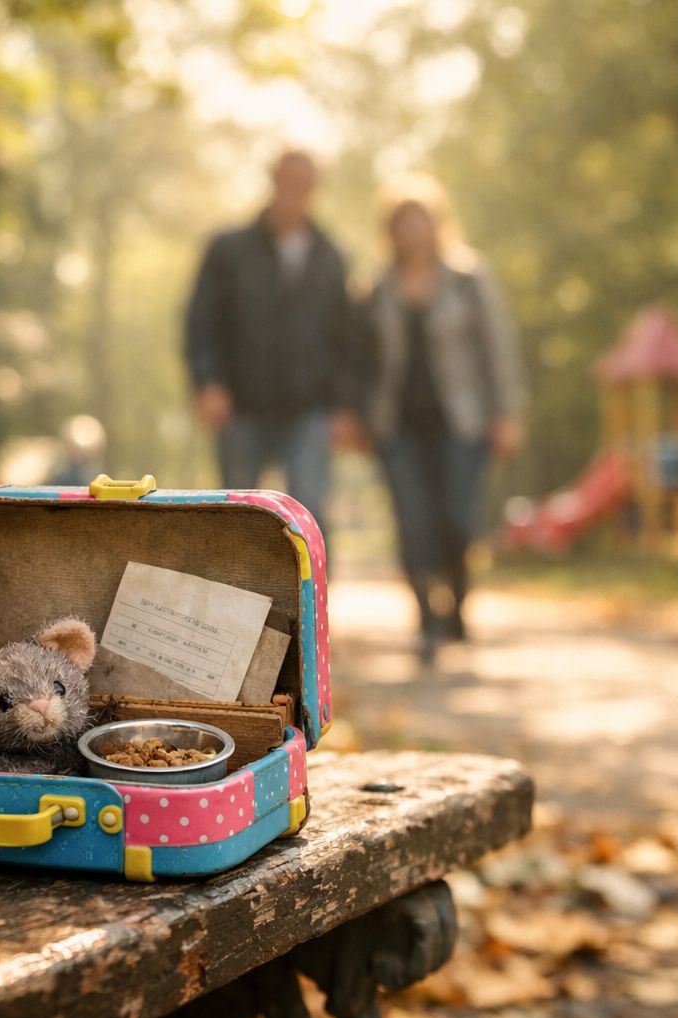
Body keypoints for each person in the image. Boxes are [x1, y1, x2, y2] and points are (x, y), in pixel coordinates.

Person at [358, 175, 526, 665]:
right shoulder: (376, 288)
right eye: (401, 221)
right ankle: (426, 620)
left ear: (436, 222)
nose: (412, 229)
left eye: (420, 218)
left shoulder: (469, 278)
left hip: (463, 423)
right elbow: (362, 361)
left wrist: (507, 412)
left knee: (457, 519)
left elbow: (497, 349)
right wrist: (357, 415)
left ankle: (458, 603)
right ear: (390, 229)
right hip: (397, 427)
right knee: (413, 522)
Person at [183, 149, 360, 529]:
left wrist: (344, 406)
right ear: (272, 181)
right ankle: (238, 588)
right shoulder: (228, 248)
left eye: (303, 182)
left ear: (315, 188)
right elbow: (201, 321)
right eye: (286, 180)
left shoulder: (332, 257)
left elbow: (347, 339)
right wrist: (207, 383)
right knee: (238, 514)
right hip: (241, 405)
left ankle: (316, 590)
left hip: (310, 408)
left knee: (310, 509)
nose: (294, 189)